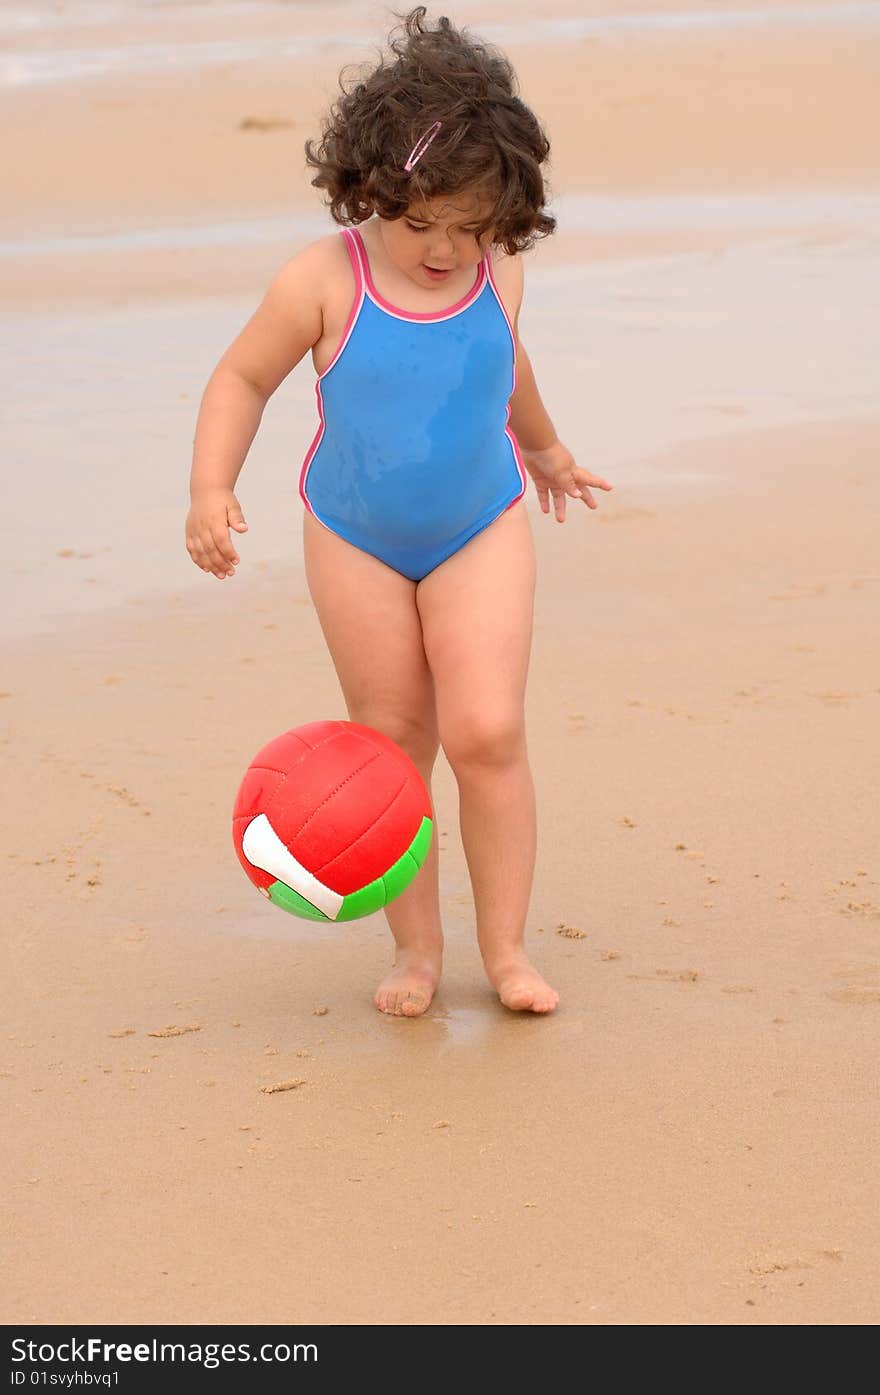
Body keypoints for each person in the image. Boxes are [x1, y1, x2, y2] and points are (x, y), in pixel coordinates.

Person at [185, 6, 612, 1018]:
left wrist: (545, 446)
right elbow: (240, 380)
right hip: (356, 535)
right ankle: (415, 951)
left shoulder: (498, 273)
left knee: (487, 727)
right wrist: (211, 487)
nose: (443, 247)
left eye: (469, 227)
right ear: (369, 190)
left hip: (478, 522)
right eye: (418, 221)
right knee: (391, 738)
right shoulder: (321, 281)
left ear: (505, 214)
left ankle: (504, 950)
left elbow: (501, 366)